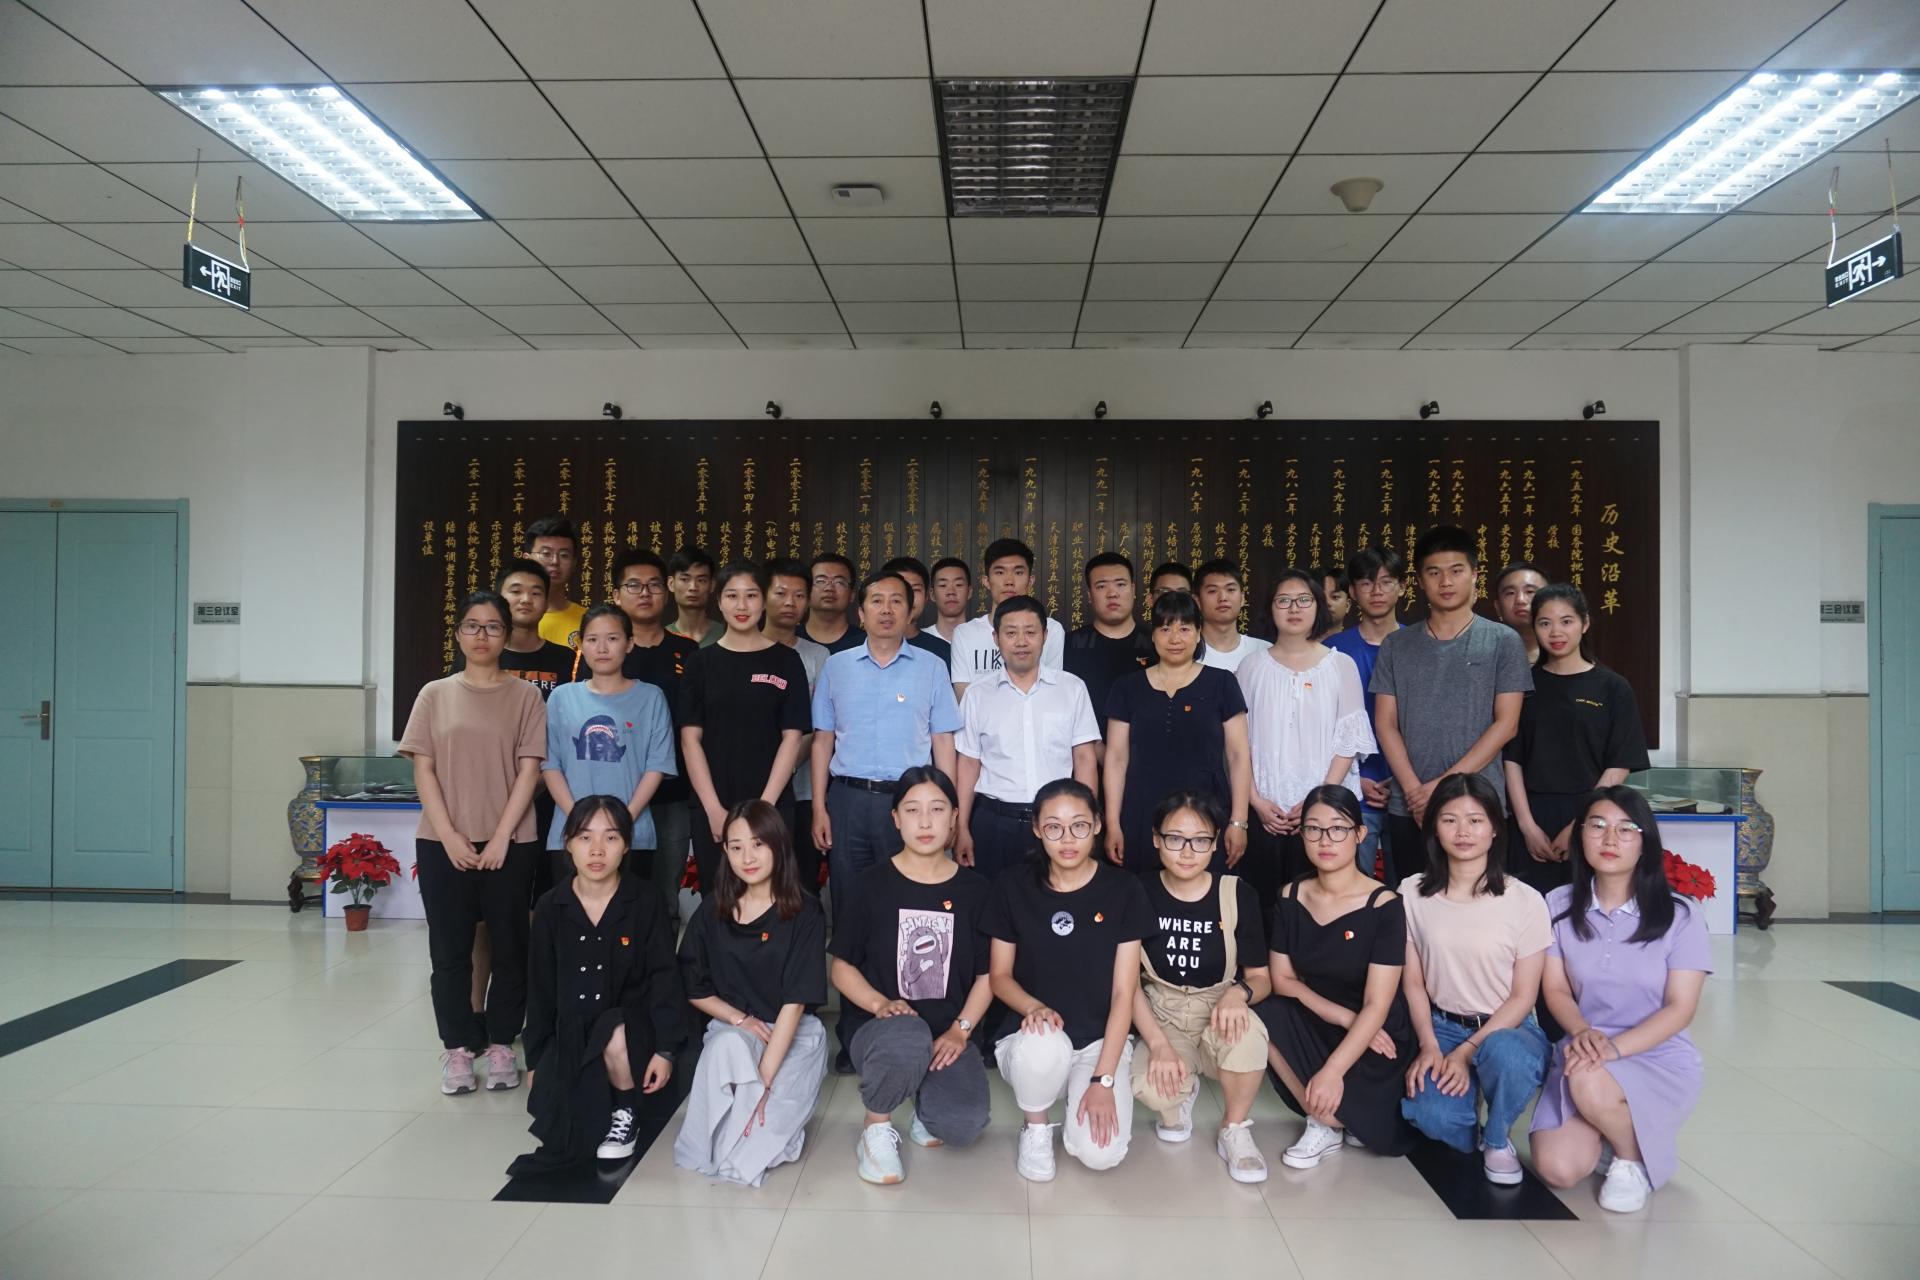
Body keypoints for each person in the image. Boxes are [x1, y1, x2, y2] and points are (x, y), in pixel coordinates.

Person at [1530, 787, 1711, 1213]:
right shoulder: (1557, 904)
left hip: (1654, 1053)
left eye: (1626, 829)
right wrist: (1581, 1032)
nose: (1610, 839)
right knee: (1558, 1169)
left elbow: (1680, 1008)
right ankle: (1616, 1129)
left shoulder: (1680, 915)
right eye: (1597, 826)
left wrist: (1611, 1050)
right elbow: (1555, 989)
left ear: (1645, 841)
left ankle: (1633, 1159)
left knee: (1588, 1079)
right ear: (1580, 836)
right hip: (1584, 1043)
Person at [400, 591, 546, 1096]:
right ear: (458, 633)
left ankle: (502, 1043)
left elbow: (530, 770)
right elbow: (424, 769)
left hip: (512, 842)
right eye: (472, 626)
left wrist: (503, 835)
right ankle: (458, 1048)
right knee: (449, 952)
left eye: (493, 627)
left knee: (510, 949)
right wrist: (449, 836)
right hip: (443, 842)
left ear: (507, 634)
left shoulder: (526, 696)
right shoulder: (434, 694)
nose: (482, 636)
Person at [831, 768, 994, 1184]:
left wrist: (960, 1030)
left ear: (954, 817)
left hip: (947, 1033)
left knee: (963, 1124)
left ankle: (925, 1095)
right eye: (912, 810)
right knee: (906, 1035)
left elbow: (987, 975)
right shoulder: (869, 886)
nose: (925, 822)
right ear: (895, 819)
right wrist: (880, 1004)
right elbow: (842, 968)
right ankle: (875, 1126)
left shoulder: (977, 891)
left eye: (937, 810)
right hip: (883, 1029)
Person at [984, 779, 1150, 1180]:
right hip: (1031, 1038)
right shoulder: (1012, 885)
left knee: (1101, 1154)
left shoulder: (1124, 889)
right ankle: (1036, 1126)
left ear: (1097, 825)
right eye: (1054, 827)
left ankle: (1076, 1085)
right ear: (1037, 830)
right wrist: (1033, 1007)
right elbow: (999, 976)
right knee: (1044, 1042)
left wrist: (1103, 1079)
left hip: (1097, 1042)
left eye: (1079, 825)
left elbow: (1124, 992)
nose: (1067, 839)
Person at [510, 796, 684, 1173]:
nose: (597, 850)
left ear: (626, 846)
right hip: (572, 1029)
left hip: (631, 1028)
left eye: (611, 838)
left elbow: (664, 976)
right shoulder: (551, 906)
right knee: (565, 1133)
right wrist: (536, 1059)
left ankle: (626, 1109)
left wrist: (666, 1050)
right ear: (568, 843)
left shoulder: (645, 900)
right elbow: (540, 988)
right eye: (585, 837)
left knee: (615, 1030)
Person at [1398, 773, 1552, 1186]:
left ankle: (1497, 1138)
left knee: (1507, 1056)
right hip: (1442, 1026)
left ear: (1495, 828)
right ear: (1434, 828)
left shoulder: (1524, 900)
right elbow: (1413, 983)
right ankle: (1470, 1107)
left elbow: (1523, 996)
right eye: (1449, 820)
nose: (1463, 831)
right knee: (1433, 1117)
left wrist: (1467, 1053)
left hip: (1509, 1028)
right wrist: (1430, 1045)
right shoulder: (1412, 893)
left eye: (1475, 820)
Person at [1257, 785, 1418, 1169]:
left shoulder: (1385, 905)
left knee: (1360, 1098)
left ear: (1360, 834)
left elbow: (1377, 1003)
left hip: (1376, 1031)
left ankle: (1336, 1110)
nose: (1325, 840)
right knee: (1260, 1013)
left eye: (1338, 828)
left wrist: (1333, 1070)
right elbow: (1282, 980)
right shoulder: (1290, 896)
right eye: (1313, 829)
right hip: (1321, 1016)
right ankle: (1323, 1121)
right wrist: (1342, 1017)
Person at [674, 800, 829, 1187]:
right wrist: (738, 1018)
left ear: (778, 845)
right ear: (725, 852)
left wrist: (763, 1083)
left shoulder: (805, 912)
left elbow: (795, 1002)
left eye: (758, 844)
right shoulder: (714, 909)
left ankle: (775, 1126)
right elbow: (693, 984)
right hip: (736, 1032)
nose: (747, 857)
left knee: (752, 1150)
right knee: (727, 1052)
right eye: (736, 846)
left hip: (793, 1035)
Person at [1372, 525, 1531, 882]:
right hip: (1409, 806)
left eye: (1456, 570)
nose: (1445, 581)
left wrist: (1440, 788)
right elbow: (1385, 723)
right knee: (1412, 901)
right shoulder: (1396, 645)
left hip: (1478, 806)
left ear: (1474, 574)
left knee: (1481, 902)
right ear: (1420, 580)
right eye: (1434, 572)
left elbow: (1507, 724)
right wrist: (1415, 792)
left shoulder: (1503, 641)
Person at [1131, 790, 1272, 1183]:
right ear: (1156, 839)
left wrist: (1238, 994)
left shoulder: (1237, 894)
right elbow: (1125, 984)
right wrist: (1158, 1044)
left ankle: (1235, 1127)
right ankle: (1180, 1097)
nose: (1187, 851)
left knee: (1248, 1039)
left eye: (1200, 840)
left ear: (1215, 843)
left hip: (1219, 1010)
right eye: (1175, 839)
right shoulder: (1137, 892)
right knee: (1149, 1086)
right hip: (1162, 1012)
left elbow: (1262, 977)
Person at [811, 570, 962, 910]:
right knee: (850, 901)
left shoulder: (932, 667)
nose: (886, 610)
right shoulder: (836, 667)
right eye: (877, 601)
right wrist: (820, 807)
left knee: (907, 900)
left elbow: (943, 742)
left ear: (910, 612)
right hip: (848, 800)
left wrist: (948, 809)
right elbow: (822, 741)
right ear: (861, 614)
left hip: (910, 800)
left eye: (896, 602)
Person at [1236, 569, 1376, 920]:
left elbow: (1349, 739)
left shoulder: (1340, 665)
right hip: (1266, 812)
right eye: (1283, 601)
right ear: (1270, 608)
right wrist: (1255, 800)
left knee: (1323, 909)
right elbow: (1237, 744)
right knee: (1265, 909)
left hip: (1326, 816)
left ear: (1318, 607)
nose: (1294, 608)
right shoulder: (1250, 667)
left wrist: (1318, 801)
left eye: (1304, 600)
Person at [1504, 584, 1650, 894]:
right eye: (1545, 623)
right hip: (1530, 814)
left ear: (1585, 624)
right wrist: (1527, 826)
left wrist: (1581, 824)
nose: (1556, 632)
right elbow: (1512, 759)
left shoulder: (1613, 687)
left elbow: (1619, 764)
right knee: (1529, 906)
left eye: (1566, 621)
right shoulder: (1523, 686)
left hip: (1591, 814)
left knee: (1583, 907)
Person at [681, 563, 811, 895]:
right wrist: (713, 809)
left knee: (773, 897)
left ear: (764, 600)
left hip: (772, 802)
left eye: (751, 596)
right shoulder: (700, 663)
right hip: (714, 803)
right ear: (718, 601)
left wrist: (763, 810)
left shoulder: (786, 661)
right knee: (719, 898)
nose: (742, 606)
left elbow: (792, 737)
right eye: (732, 596)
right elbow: (690, 739)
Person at [1103, 590, 1252, 874]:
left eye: (1184, 629)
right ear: (1153, 635)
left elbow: (1238, 755)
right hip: (1141, 814)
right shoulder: (1127, 687)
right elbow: (1116, 759)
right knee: (1142, 892)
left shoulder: (1222, 684)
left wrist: (1238, 822)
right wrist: (1113, 823)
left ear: (1198, 634)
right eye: (1165, 628)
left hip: (1207, 814)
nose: (1175, 638)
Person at [955, 595, 1100, 880]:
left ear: (1045, 636)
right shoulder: (977, 695)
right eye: (1011, 633)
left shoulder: (1072, 688)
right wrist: (961, 828)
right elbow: (969, 764)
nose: (1021, 642)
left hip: (1058, 824)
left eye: (1030, 632)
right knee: (993, 901)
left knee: (1055, 900)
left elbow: (1084, 759)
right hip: (995, 822)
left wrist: (1087, 823)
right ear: (996, 638)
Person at [541, 605, 676, 887]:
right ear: (581, 644)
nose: (602, 648)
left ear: (629, 643)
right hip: (569, 833)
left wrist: (621, 822)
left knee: (630, 912)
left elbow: (657, 766)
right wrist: (579, 822)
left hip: (632, 834)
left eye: (612, 638)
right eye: (592, 639)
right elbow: (550, 764)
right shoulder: (562, 698)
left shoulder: (651, 697)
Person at [616, 548, 700, 919]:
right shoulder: (606, 650)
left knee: (665, 894)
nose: (645, 593)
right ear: (617, 595)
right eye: (634, 585)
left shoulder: (688, 650)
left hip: (672, 790)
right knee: (616, 890)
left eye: (653, 585)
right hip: (616, 787)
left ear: (666, 593)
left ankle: (663, 956)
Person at [1327, 546, 1405, 880]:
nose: (1376, 591)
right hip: (1351, 792)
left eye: (1386, 582)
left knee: (1409, 887)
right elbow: (1323, 726)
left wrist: (1402, 779)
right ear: (1353, 592)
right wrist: (1356, 778)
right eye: (1366, 583)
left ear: (1402, 587)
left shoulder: (1418, 646)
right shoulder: (1332, 651)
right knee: (1353, 888)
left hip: (1410, 791)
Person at [763, 557, 831, 889]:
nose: (790, 602)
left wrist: (785, 767)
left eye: (800, 595)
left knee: (801, 884)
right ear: (762, 596)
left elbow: (819, 727)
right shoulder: (740, 652)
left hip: (802, 791)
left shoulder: (818, 656)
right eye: (780, 593)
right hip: (750, 785)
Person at [949, 538, 1065, 699]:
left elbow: (1052, 690)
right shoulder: (965, 634)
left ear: (1030, 580)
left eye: (1018, 572)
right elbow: (965, 699)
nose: (1009, 581)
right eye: (1000, 572)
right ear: (986, 581)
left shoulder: (1052, 629)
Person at [1063, 551, 1153, 741]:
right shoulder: (1068, 645)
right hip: (1084, 754)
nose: (1112, 594)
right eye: (1101, 586)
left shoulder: (1157, 643)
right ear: (1089, 595)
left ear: (1133, 589)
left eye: (1120, 584)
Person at [454, 557, 578, 695]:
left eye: (536, 593)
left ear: (546, 603)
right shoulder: (478, 655)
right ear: (498, 599)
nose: (526, 600)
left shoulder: (566, 659)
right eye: (516, 591)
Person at [1194, 558, 1265, 672]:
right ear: (1197, 601)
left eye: (1230, 589)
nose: (1223, 598)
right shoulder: (1184, 652)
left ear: (1242, 598)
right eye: (1212, 591)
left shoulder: (1264, 652)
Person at [526, 516, 586, 649]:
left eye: (564, 555)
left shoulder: (589, 621)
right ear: (527, 559)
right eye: (546, 554)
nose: (555, 561)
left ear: (574, 563)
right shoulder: (511, 618)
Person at [883, 554, 952, 666]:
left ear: (926, 597)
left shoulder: (943, 651)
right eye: (899, 589)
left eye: (915, 590)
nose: (908, 597)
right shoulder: (856, 647)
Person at [802, 553, 864, 653]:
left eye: (839, 582)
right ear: (806, 591)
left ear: (852, 595)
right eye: (820, 581)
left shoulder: (865, 644)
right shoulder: (789, 639)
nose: (829, 588)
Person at [1494, 562, 1549, 666]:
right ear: (1498, 607)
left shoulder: (1571, 659)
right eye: (1510, 593)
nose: (1520, 600)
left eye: (1530, 591)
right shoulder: (1483, 657)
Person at [666, 546, 722, 647]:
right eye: (685, 579)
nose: (693, 587)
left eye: (701, 580)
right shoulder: (661, 638)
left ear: (712, 585)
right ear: (671, 584)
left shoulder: (726, 636)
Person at [929, 556, 973, 645]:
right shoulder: (921, 641)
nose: (951, 592)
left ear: (969, 592)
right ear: (932, 594)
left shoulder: (983, 638)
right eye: (943, 585)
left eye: (958, 585)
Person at [1320, 564, 1352, 634]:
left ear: (1347, 605)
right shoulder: (1297, 640)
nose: (1327, 602)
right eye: (1321, 597)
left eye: (1335, 597)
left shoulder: (1354, 641)